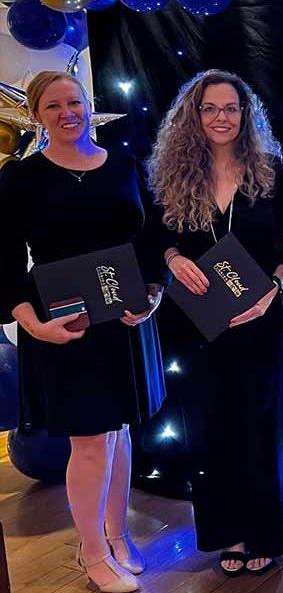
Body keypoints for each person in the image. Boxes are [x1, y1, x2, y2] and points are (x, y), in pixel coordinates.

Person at [0, 71, 165, 593]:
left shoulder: (123, 164)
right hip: (63, 324)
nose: (67, 113)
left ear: (89, 105)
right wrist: (32, 326)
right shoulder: (21, 177)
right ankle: (92, 551)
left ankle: (117, 535)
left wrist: (153, 295)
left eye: (74, 102)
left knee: (118, 432)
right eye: (53, 106)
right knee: (90, 441)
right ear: (36, 115)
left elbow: (150, 240)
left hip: (123, 319)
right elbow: (4, 260)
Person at [147, 69, 283, 577]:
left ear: (246, 114)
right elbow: (153, 238)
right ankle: (226, 532)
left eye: (231, 108)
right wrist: (172, 258)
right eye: (209, 108)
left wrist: (274, 289)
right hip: (196, 322)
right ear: (194, 114)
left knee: (259, 426)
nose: (220, 117)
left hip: (260, 317)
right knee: (209, 427)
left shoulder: (274, 172)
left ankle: (263, 534)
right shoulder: (171, 173)